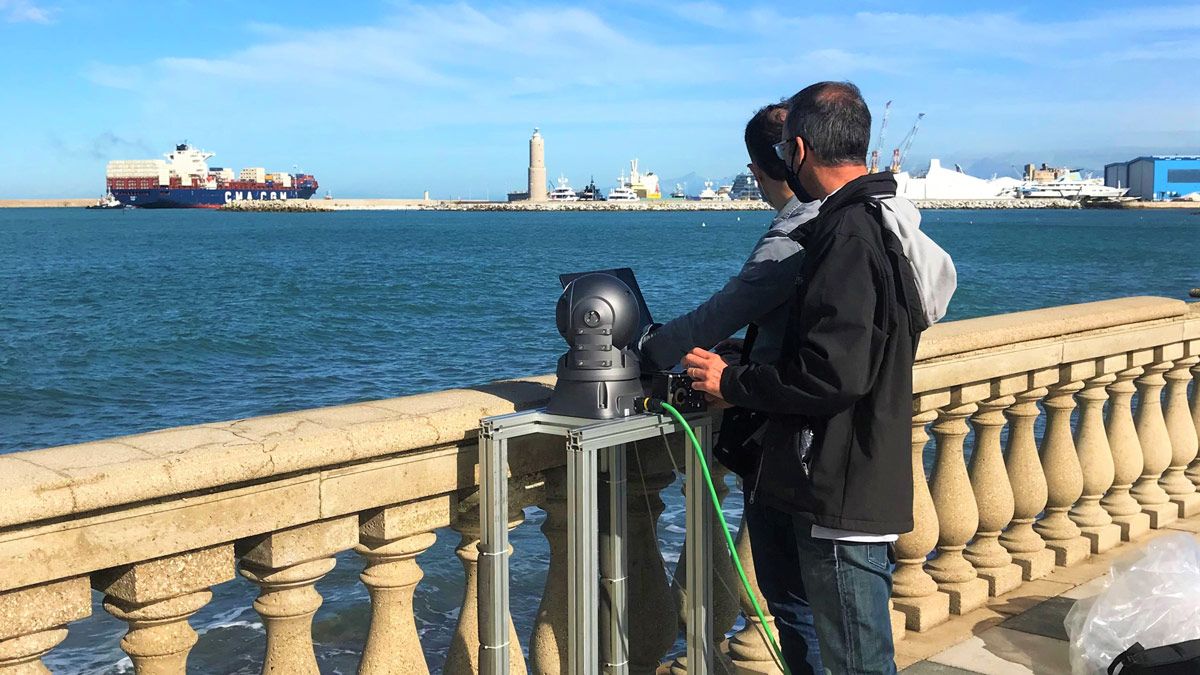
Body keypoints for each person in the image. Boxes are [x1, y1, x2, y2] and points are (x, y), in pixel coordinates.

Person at [684, 82, 956, 674]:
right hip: (838, 474)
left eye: (783, 152)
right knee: (817, 628)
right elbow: (838, 347)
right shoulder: (877, 220)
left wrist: (734, 384)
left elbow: (833, 374)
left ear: (799, 150)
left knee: (857, 657)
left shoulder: (848, 236)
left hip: (839, 484)